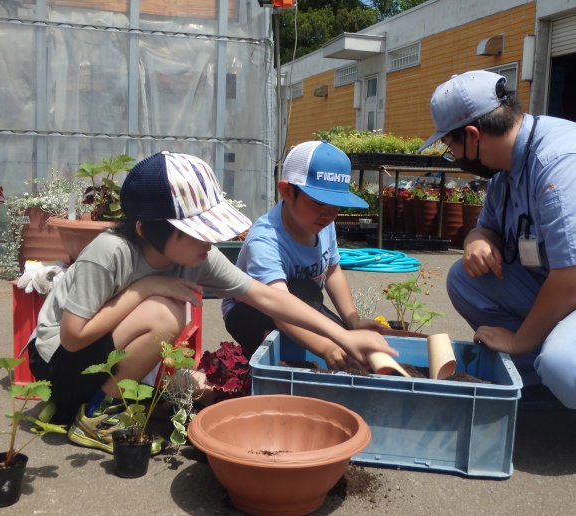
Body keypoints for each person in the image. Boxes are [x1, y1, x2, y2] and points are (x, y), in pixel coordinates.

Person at [27, 151, 397, 454]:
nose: (209, 241)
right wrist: (147, 287)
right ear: (146, 229)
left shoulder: (200, 255)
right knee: (164, 312)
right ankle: (96, 417)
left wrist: (344, 336)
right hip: (56, 363)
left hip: (98, 357)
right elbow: (73, 337)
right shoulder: (109, 253)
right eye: (197, 231)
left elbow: (267, 296)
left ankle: (96, 404)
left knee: (178, 341)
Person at [419, 70, 576, 459]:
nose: (452, 156)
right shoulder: (508, 169)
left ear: (472, 136)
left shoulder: (565, 162)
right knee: (466, 279)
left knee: (575, 364)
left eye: (449, 146)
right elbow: (484, 230)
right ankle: (543, 382)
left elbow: (573, 281)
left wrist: (520, 341)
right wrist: (477, 242)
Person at [222, 140, 387, 370]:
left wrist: (353, 322)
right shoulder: (266, 239)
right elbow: (278, 307)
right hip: (250, 312)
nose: (329, 214)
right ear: (287, 192)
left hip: (303, 303)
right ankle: (274, 367)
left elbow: (333, 271)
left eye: (336, 205)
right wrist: (326, 347)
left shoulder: (321, 223)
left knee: (345, 339)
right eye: (319, 203)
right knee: (315, 315)